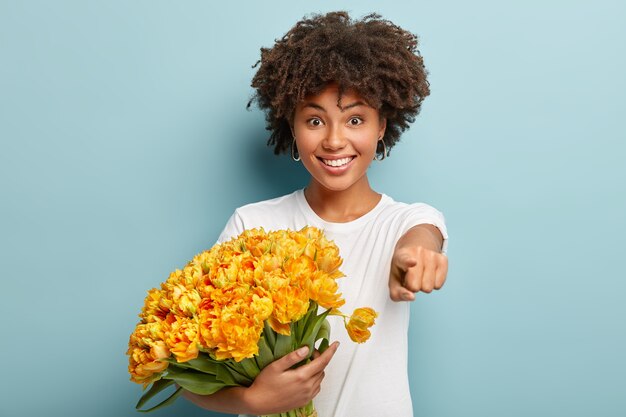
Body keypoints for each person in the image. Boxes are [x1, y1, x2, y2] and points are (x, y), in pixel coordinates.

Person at [183, 11, 449, 417]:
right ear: (291, 125)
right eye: (314, 120)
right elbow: (184, 370)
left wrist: (415, 260)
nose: (334, 140)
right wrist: (253, 401)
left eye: (355, 119)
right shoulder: (251, 225)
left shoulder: (405, 222)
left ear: (382, 126)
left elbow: (422, 238)